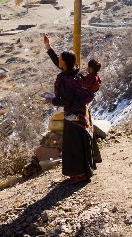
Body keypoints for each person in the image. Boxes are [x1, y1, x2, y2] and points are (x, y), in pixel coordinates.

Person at [43, 33, 96, 185]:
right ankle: (83, 172)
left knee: (74, 145)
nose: (58, 61)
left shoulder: (67, 80)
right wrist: (48, 47)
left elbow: (65, 100)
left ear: (65, 63)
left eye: (60, 59)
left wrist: (51, 100)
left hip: (73, 115)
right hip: (81, 113)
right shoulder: (73, 73)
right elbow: (57, 62)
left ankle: (79, 175)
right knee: (80, 143)